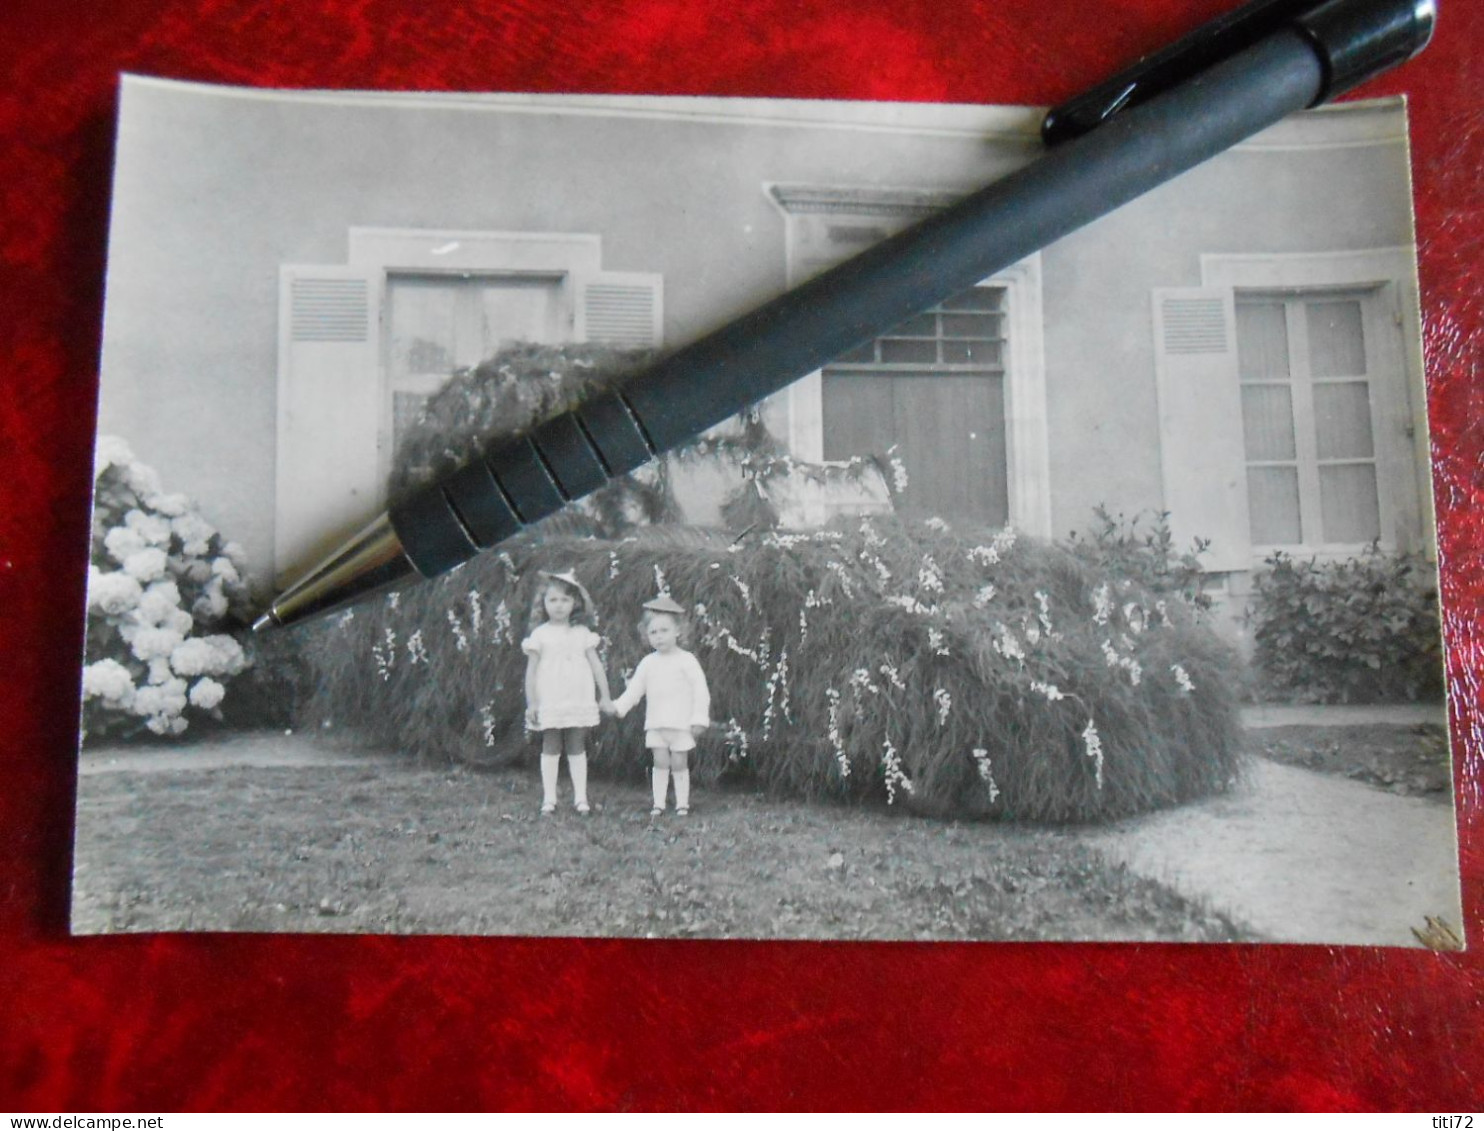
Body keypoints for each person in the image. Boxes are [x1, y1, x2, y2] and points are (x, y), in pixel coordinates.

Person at [602, 594, 711, 816]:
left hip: (680, 724)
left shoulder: (687, 660)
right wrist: (618, 706)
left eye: (664, 631)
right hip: (657, 724)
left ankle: (682, 803)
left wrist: (699, 718)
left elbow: (701, 691)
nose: (659, 637)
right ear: (646, 635)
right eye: (653, 632)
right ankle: (658, 803)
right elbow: (634, 691)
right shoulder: (648, 663)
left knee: (679, 762)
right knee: (660, 762)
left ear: (678, 631)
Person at [522, 569, 612, 814]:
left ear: (575, 603)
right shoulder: (539, 635)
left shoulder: (582, 634)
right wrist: (532, 703)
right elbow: (531, 673)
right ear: (543, 603)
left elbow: (596, 667)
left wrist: (604, 696)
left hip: (578, 696)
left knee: (576, 743)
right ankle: (549, 798)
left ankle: (580, 797)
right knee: (550, 743)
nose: (559, 606)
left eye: (565, 600)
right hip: (550, 696)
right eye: (553, 600)